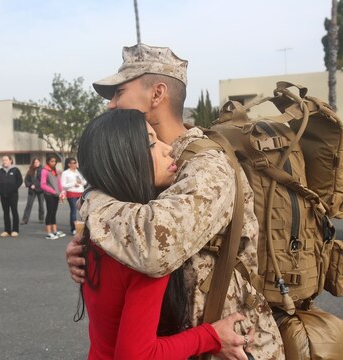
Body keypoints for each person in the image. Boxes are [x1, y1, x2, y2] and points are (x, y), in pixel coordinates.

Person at [67, 43, 284, 359]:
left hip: (231, 343)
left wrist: (92, 200)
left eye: (118, 93)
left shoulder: (206, 165)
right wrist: (89, 251)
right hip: (185, 342)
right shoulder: (151, 167)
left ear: (156, 94)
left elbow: (153, 246)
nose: (111, 105)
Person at [76, 108, 255, 359]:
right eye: (151, 142)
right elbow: (136, 355)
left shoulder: (101, 230)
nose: (167, 148)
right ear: (124, 158)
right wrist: (212, 336)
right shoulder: (146, 246)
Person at [0, 155, 23, 237]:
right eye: (3, 160)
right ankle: (7, 230)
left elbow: (19, 181)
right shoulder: (0, 171)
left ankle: (15, 230)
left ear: (10, 161)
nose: (4, 161)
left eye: (6, 160)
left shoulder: (15, 170)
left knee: (14, 211)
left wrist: (12, 189)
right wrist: (0, 191)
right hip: (3, 195)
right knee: (5, 212)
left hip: (13, 195)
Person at [41, 154, 66, 240]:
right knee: (50, 212)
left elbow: (59, 182)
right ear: (48, 161)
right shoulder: (44, 170)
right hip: (49, 195)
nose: (53, 163)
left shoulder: (54, 170)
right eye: (52, 161)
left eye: (55, 161)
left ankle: (55, 231)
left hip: (56, 195)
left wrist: (62, 190)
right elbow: (43, 185)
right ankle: (48, 233)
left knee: (54, 213)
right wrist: (54, 192)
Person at [61, 157, 86, 235]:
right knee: (74, 211)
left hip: (81, 193)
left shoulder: (78, 172)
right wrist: (73, 184)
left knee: (83, 211)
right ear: (69, 164)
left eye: (76, 162)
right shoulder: (65, 173)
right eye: (73, 163)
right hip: (71, 193)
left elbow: (85, 182)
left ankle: (82, 228)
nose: (75, 164)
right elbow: (63, 184)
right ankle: (73, 228)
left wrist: (81, 182)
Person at [21, 158, 45, 225]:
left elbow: (44, 181)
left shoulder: (43, 170)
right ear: (33, 163)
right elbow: (26, 180)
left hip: (41, 190)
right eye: (35, 162)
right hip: (32, 190)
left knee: (41, 205)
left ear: (39, 162)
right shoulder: (30, 170)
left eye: (37, 162)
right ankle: (25, 219)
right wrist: (30, 185)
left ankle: (41, 218)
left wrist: (37, 186)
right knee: (29, 205)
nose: (36, 163)